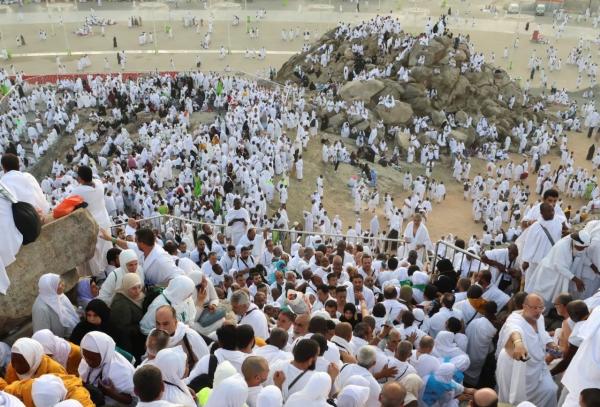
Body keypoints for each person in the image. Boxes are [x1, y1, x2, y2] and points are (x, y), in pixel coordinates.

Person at [496, 293, 558, 406]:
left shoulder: (540, 318)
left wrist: (552, 344)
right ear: (525, 306)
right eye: (534, 308)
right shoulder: (514, 319)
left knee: (551, 390)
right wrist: (518, 344)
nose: (538, 311)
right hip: (513, 364)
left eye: (541, 308)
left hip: (535, 365)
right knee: (509, 398)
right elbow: (514, 330)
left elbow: (542, 334)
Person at [525, 231, 590, 305]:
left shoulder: (576, 245)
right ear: (575, 243)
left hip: (560, 275)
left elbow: (582, 255)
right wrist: (576, 280)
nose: (583, 250)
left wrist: (591, 265)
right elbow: (559, 266)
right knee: (542, 297)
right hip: (549, 273)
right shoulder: (561, 246)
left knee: (554, 297)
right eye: (581, 248)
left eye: (584, 248)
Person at [70, 165, 112, 277]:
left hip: (92, 224)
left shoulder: (77, 191)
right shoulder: (99, 184)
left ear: (80, 178)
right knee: (105, 247)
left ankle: (99, 276)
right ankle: (110, 269)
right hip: (104, 221)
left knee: (95, 253)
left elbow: (68, 204)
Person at [78, 331, 135, 405]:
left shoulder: (121, 370)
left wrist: (111, 393)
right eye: (86, 357)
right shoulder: (86, 359)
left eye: (93, 359)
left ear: (104, 354)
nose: (89, 362)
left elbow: (131, 400)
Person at [153, 305, 209, 372]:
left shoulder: (189, 336)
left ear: (175, 322)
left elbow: (205, 362)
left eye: (165, 324)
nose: (161, 328)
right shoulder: (154, 335)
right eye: (158, 323)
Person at [109, 273, 146, 361]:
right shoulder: (121, 304)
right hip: (130, 343)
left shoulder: (138, 297)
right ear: (126, 287)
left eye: (139, 287)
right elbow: (122, 328)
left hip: (137, 338)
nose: (137, 291)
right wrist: (141, 326)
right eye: (133, 288)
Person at [32, 274, 79, 338]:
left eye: (61, 282)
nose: (63, 284)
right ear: (50, 288)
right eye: (59, 284)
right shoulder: (41, 309)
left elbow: (69, 312)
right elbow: (43, 335)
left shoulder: (58, 295)